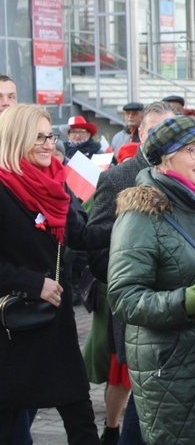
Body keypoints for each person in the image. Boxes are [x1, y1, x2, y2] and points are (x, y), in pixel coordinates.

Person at [107, 115, 195, 443]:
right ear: (166, 157)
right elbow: (124, 297)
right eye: (192, 150)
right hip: (173, 369)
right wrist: (182, 301)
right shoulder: (143, 213)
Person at [0, 104, 111, 444]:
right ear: (16, 139)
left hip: (55, 324)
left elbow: (79, 235)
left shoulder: (57, 185)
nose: (49, 144)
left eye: (51, 136)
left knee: (80, 416)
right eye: (39, 137)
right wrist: (33, 284)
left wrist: (129, 221)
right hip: (13, 328)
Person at [86, 101, 176, 445]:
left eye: (168, 132)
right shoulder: (118, 177)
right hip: (138, 310)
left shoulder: (185, 174)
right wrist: (135, 273)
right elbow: (97, 250)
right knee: (142, 399)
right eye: (154, 131)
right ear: (139, 133)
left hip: (180, 311)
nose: (161, 139)